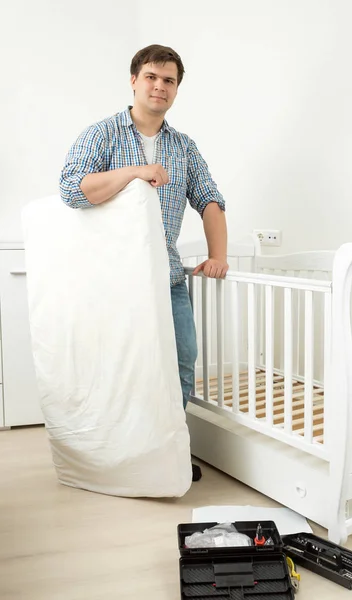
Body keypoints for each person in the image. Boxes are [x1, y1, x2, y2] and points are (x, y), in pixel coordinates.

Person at [59, 44, 228, 483]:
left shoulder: (184, 147)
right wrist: (135, 171)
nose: (159, 86)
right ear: (134, 80)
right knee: (121, 369)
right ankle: (121, 457)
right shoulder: (103, 134)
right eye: (151, 76)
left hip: (166, 276)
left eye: (169, 80)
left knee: (179, 363)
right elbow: (74, 191)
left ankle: (168, 452)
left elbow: (210, 200)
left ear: (176, 90)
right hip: (113, 280)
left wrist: (219, 256)